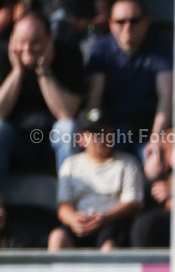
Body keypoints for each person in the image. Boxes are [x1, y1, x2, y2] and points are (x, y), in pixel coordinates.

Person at [85, 0, 172, 163]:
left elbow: (166, 97)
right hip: (112, 129)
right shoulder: (100, 48)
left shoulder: (161, 45)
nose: (127, 27)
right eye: (120, 21)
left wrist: (156, 140)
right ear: (110, 24)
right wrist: (96, 139)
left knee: (154, 167)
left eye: (134, 20)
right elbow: (94, 99)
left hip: (147, 129)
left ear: (146, 21)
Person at [0, 11, 83, 174]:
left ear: (50, 38)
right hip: (15, 134)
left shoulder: (70, 55)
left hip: (52, 135)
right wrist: (17, 72)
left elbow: (66, 113)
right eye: (21, 42)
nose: (27, 49)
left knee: (68, 128)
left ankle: (67, 196)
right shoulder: (2, 56)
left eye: (35, 42)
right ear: (11, 40)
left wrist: (44, 70)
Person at [49, 107, 142, 250]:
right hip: (80, 224)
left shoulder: (128, 163)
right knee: (57, 238)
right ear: (81, 139)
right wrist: (73, 219)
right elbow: (63, 205)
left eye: (104, 131)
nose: (100, 138)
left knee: (109, 246)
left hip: (114, 223)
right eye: (94, 133)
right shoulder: (70, 165)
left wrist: (105, 217)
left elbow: (133, 203)